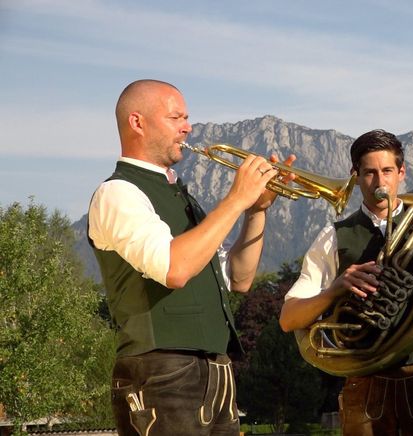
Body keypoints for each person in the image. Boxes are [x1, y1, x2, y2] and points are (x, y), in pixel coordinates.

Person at [88, 79, 291, 435]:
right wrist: (235, 199)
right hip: (162, 373)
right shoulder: (118, 193)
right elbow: (175, 268)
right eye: (175, 117)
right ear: (138, 123)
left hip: (215, 370)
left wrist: (256, 210)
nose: (188, 127)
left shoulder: (181, 196)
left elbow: (239, 279)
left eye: (187, 117)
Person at [279, 129, 413, 436]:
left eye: (387, 171)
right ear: (355, 176)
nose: (380, 182)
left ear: (401, 173)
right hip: (365, 381)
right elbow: (289, 318)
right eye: (369, 173)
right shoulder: (334, 236)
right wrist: (336, 289)